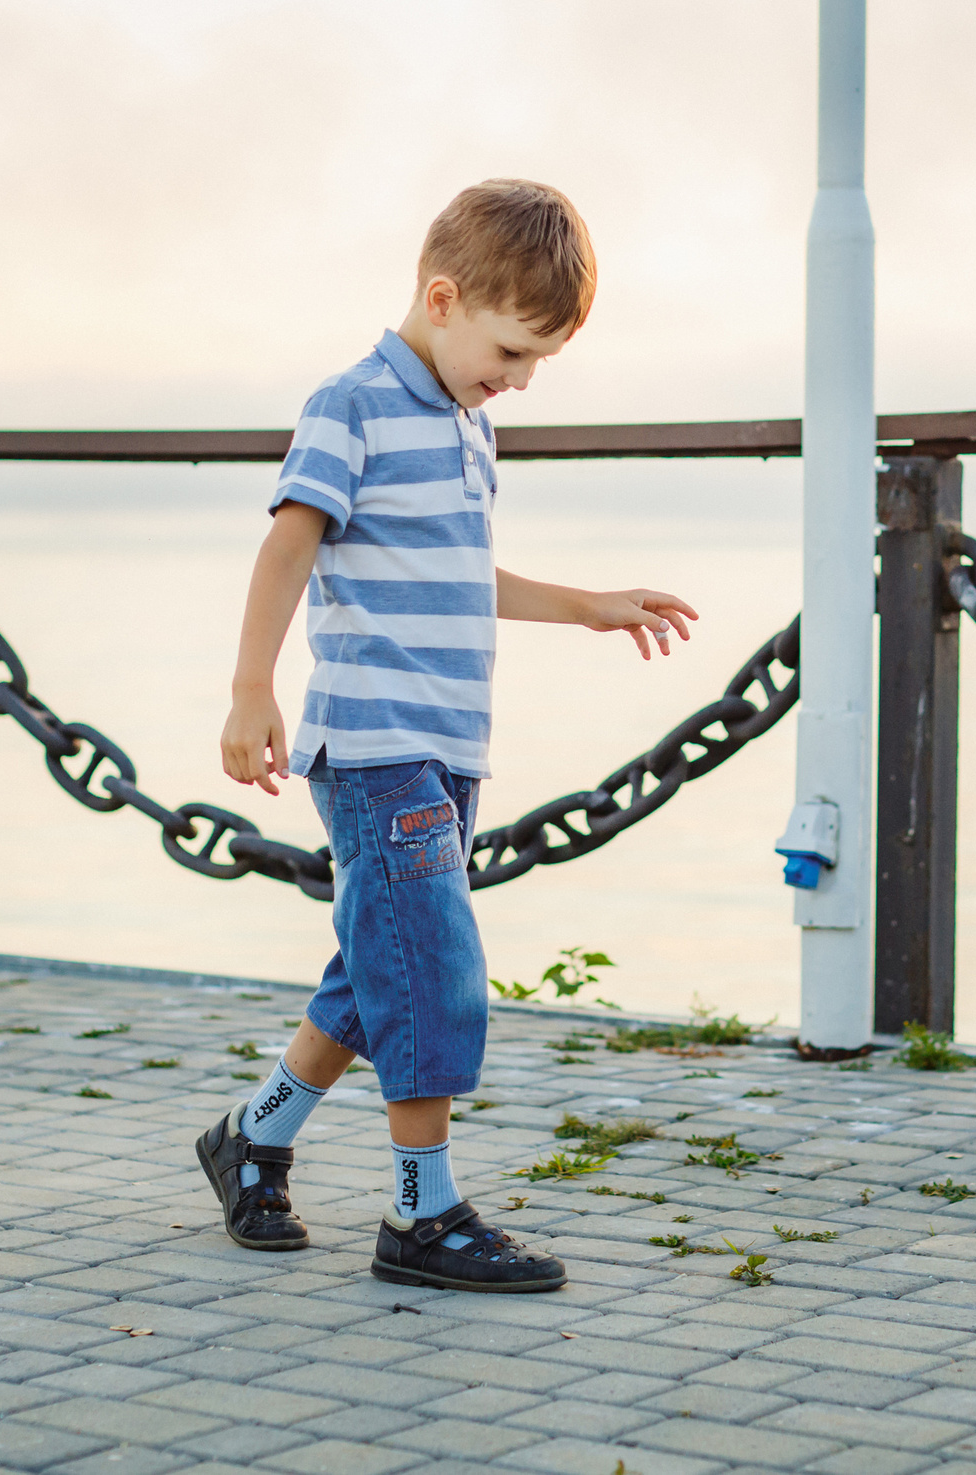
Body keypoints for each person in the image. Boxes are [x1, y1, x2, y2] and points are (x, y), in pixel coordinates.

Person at [200, 178, 697, 1292]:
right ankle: (421, 1218)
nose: (516, 382)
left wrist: (590, 604)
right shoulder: (353, 405)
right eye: (512, 352)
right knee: (431, 973)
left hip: (446, 748)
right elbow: (288, 545)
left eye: (535, 368)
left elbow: (463, 578)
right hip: (375, 745)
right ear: (442, 296)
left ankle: (253, 1140)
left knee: (380, 964)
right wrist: (251, 688)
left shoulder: (466, 427)